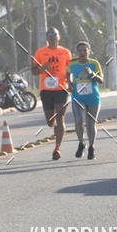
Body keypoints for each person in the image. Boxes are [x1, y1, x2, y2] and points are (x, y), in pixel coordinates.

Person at [31, 27, 73, 161]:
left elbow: (69, 70)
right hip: (46, 89)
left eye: (54, 37)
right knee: (50, 121)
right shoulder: (40, 52)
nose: (52, 39)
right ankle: (55, 128)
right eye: (50, 37)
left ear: (58, 37)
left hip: (61, 88)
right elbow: (33, 71)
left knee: (60, 116)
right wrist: (43, 68)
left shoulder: (65, 52)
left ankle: (57, 148)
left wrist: (70, 83)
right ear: (47, 39)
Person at [69, 41, 103, 160]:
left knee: (90, 124)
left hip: (93, 97)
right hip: (77, 97)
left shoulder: (94, 63)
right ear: (76, 52)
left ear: (89, 51)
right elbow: (68, 76)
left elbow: (101, 80)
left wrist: (92, 74)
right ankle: (81, 143)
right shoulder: (72, 64)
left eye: (85, 50)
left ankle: (91, 147)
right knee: (78, 121)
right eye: (80, 51)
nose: (82, 53)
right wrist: (69, 84)